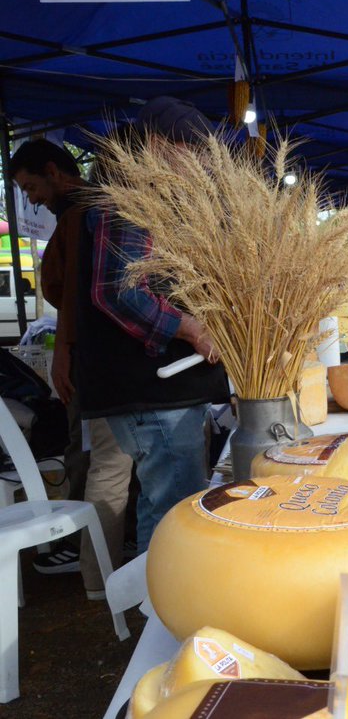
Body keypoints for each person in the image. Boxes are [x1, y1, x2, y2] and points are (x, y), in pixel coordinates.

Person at [74, 96, 229, 552]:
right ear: (159, 144)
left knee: (169, 504)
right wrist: (192, 328)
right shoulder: (129, 203)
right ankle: (156, 615)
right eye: (192, 150)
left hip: (164, 389)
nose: (201, 163)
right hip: (148, 388)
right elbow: (119, 292)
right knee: (170, 509)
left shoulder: (161, 205)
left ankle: (154, 608)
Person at [10, 139, 135, 597]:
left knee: (104, 463)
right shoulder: (82, 215)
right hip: (98, 363)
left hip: (100, 362)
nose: (32, 198)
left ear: (53, 170)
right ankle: (98, 570)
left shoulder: (89, 212)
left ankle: (98, 574)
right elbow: (70, 300)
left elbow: (78, 300)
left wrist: (65, 350)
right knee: (101, 461)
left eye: (31, 186)